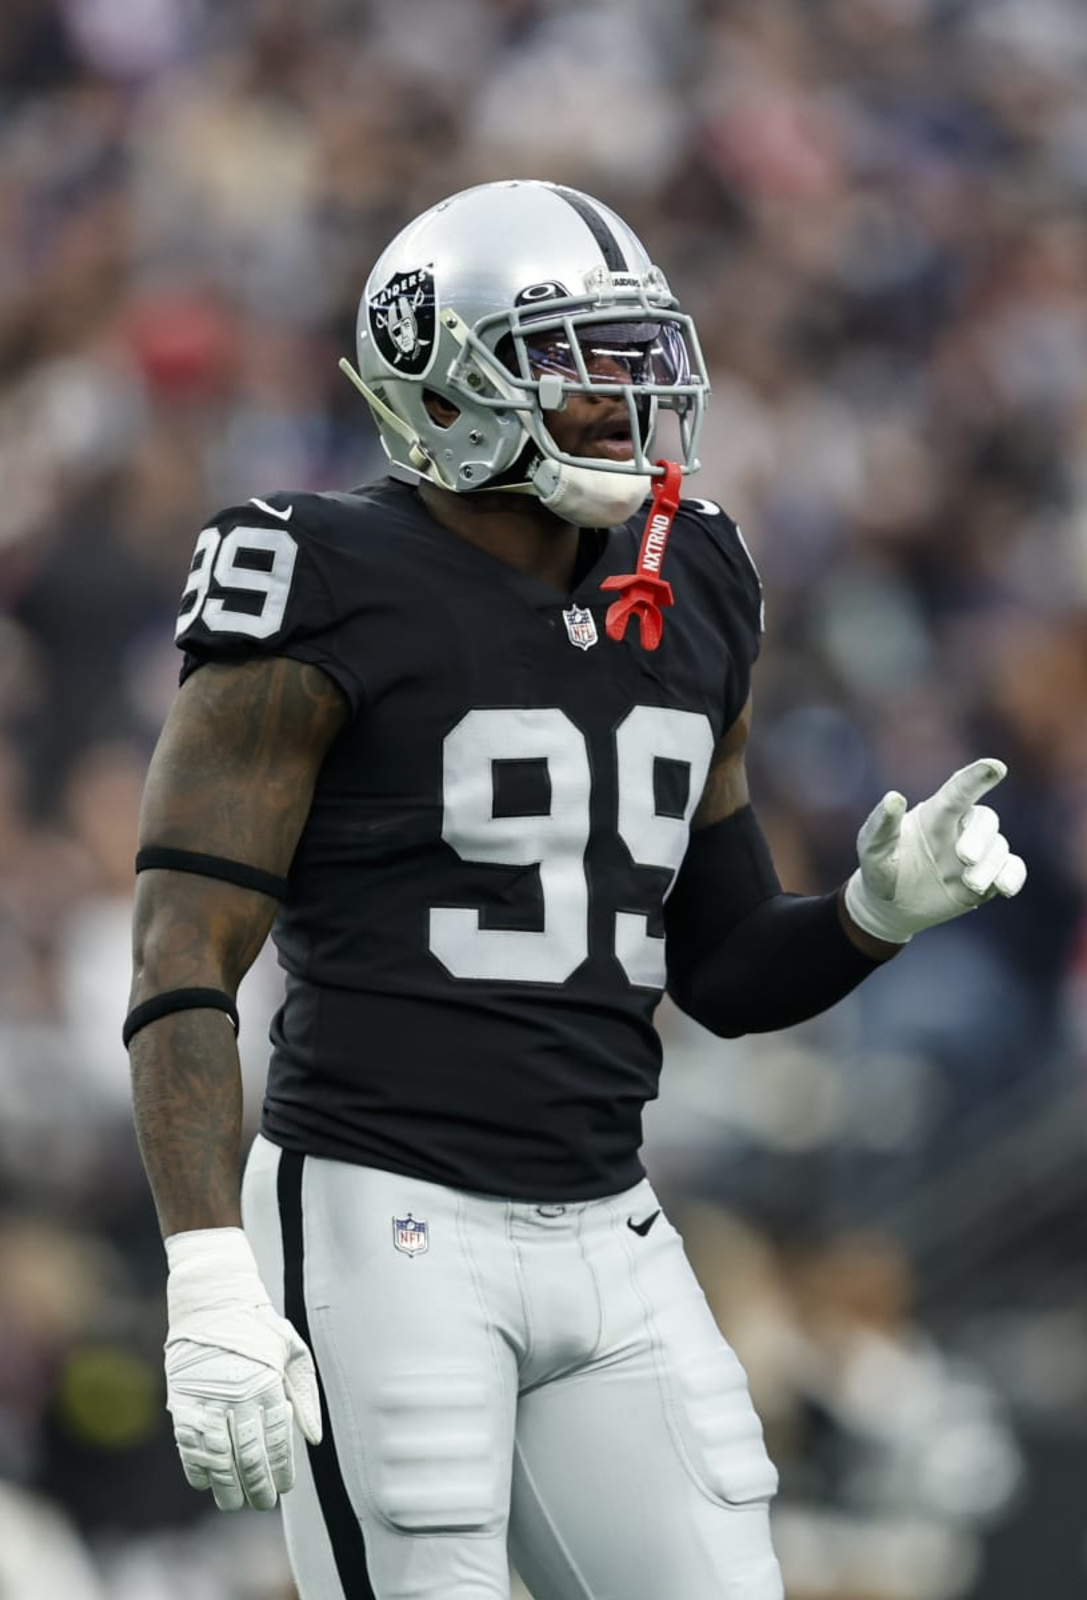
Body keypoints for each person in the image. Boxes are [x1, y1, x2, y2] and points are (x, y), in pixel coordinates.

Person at [125, 179, 1026, 1600]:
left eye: (637, 355)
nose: (626, 396)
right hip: (384, 1221)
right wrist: (208, 1269)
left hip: (613, 1225)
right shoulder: (320, 574)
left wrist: (871, 920)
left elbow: (722, 969)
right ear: (438, 366)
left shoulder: (698, 577)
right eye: (572, 358)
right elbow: (183, 949)